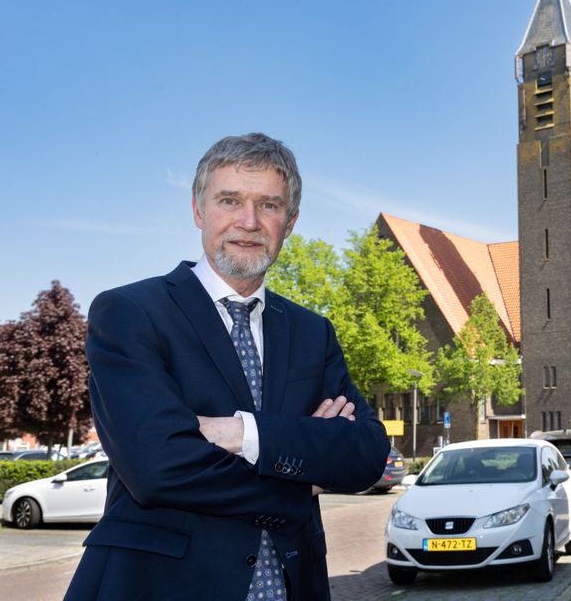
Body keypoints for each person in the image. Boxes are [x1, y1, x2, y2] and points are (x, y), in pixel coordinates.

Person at [65, 133, 389, 600]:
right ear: (199, 211)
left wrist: (241, 434)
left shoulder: (312, 332)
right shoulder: (130, 312)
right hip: (159, 586)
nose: (249, 221)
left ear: (290, 221)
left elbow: (365, 455)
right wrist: (304, 473)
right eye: (230, 200)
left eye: (270, 206)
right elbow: (158, 469)